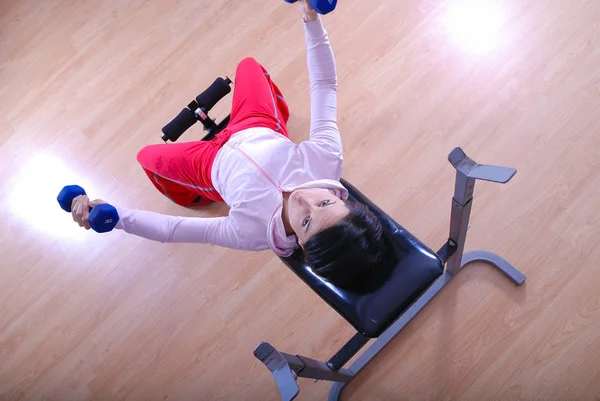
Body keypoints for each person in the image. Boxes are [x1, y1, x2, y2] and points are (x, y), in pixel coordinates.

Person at [71, 0, 388, 287]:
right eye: (325, 203)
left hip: (210, 166)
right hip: (256, 124)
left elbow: (174, 230)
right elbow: (324, 85)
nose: (305, 200)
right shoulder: (325, 160)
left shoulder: (252, 233)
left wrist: (117, 219)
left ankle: (193, 197)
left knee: (146, 156)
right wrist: (311, 18)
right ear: (341, 198)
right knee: (248, 65)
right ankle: (281, 113)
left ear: (301, 244)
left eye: (306, 221)